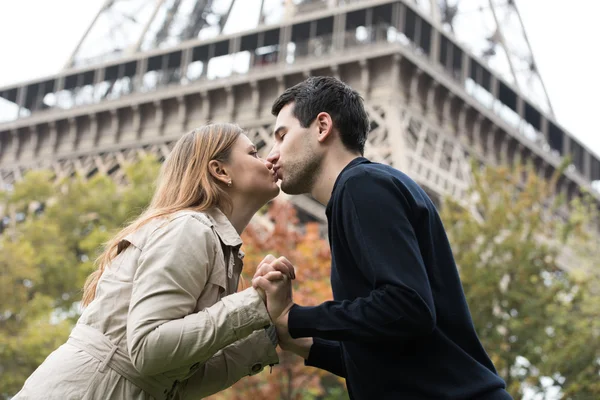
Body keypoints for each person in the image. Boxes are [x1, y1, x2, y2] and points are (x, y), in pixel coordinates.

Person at [252, 76, 513, 400]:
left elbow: (408, 307)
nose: (270, 155)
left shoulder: (361, 186)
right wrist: (300, 339)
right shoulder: (359, 192)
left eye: (281, 136)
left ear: (322, 127)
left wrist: (299, 317)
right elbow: (389, 354)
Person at [13, 123, 295, 400]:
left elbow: (176, 382)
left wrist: (268, 329)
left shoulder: (220, 248)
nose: (269, 158)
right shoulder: (190, 227)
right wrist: (253, 304)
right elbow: (149, 349)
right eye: (254, 152)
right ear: (219, 170)